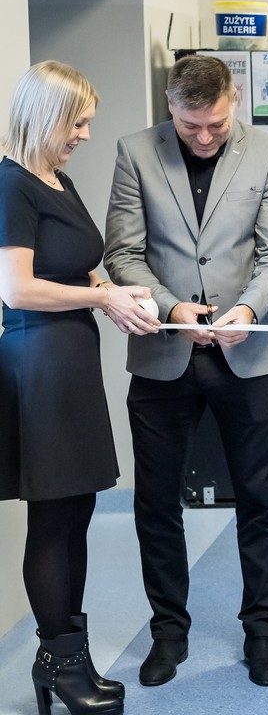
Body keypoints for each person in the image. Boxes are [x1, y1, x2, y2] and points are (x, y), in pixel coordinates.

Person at [103, 54, 268, 687]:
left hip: (247, 352)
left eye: (215, 123)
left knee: (259, 500)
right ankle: (168, 632)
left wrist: (249, 308)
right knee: (157, 502)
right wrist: (169, 308)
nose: (205, 137)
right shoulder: (135, 153)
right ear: (170, 106)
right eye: (191, 127)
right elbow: (123, 252)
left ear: (232, 99)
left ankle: (261, 631)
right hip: (164, 355)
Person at [0, 61, 153, 715]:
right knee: (52, 515)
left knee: (78, 510)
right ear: (46, 118)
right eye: (78, 123)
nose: (86, 135)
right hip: (38, 363)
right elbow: (16, 289)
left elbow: (80, 267)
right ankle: (61, 666)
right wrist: (101, 298)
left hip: (73, 360)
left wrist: (119, 293)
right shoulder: (11, 184)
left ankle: (69, 659)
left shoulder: (56, 180)